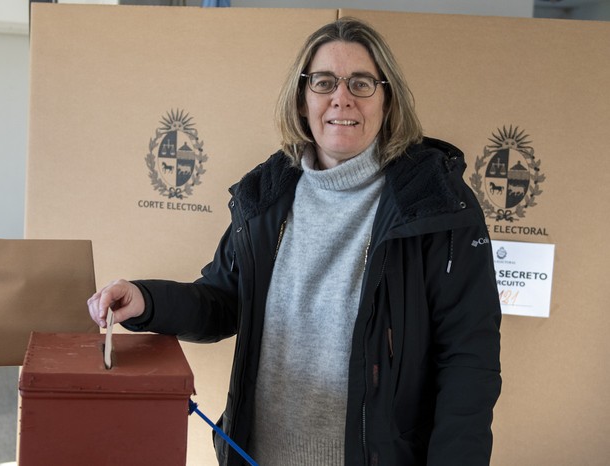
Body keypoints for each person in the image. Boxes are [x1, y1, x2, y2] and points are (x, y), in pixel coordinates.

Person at [88, 17, 501, 466]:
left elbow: (468, 360)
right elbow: (223, 300)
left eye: (361, 83)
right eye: (323, 82)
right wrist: (146, 301)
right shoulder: (266, 194)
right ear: (302, 100)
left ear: (387, 99)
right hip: (258, 455)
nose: (341, 97)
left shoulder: (435, 203)